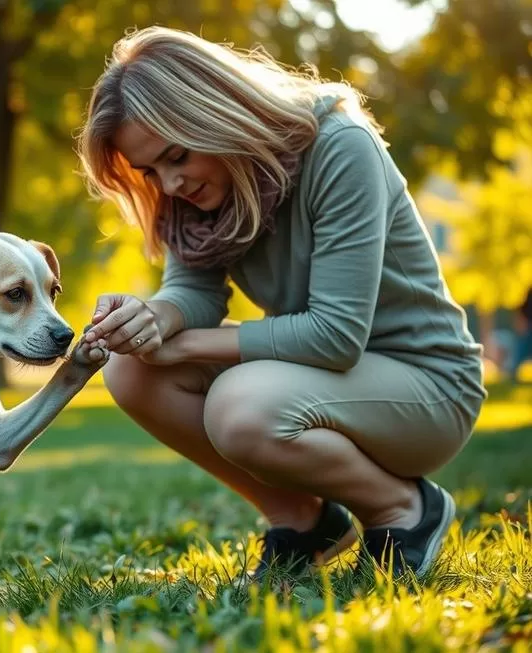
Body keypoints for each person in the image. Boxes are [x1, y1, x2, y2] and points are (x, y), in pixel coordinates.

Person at [75, 26, 487, 582]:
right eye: (150, 171)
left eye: (176, 156)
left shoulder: (339, 147)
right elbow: (193, 291)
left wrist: (185, 344)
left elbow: (335, 337)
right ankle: (303, 523)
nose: (168, 183)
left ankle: (403, 510)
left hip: (428, 391)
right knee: (132, 369)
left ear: (214, 114)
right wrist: (153, 320)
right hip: (323, 383)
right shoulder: (200, 189)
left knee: (240, 406)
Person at [506, 287, 532, 383]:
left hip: (527, 328)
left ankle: (513, 376)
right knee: (520, 354)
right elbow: (521, 309)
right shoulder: (528, 292)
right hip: (528, 329)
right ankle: (513, 377)